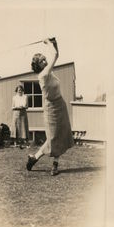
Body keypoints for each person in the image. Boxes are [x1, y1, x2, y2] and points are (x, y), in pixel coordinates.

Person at [26, 38, 74, 176]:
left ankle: (52, 164)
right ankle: (35, 158)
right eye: (42, 61)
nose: (45, 61)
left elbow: (55, 54)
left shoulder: (49, 71)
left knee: (61, 135)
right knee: (53, 138)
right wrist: (48, 43)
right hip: (51, 108)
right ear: (38, 65)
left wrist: (55, 43)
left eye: (45, 59)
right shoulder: (43, 75)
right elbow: (55, 55)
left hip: (60, 104)